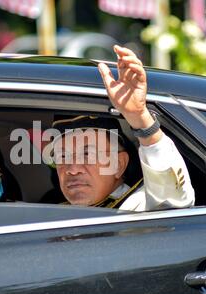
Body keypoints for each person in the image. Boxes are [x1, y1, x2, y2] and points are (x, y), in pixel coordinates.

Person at [46, 45, 195, 211]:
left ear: (119, 164)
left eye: (87, 154)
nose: (72, 170)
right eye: (62, 157)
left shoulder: (138, 207)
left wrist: (140, 118)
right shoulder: (52, 213)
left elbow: (172, 199)